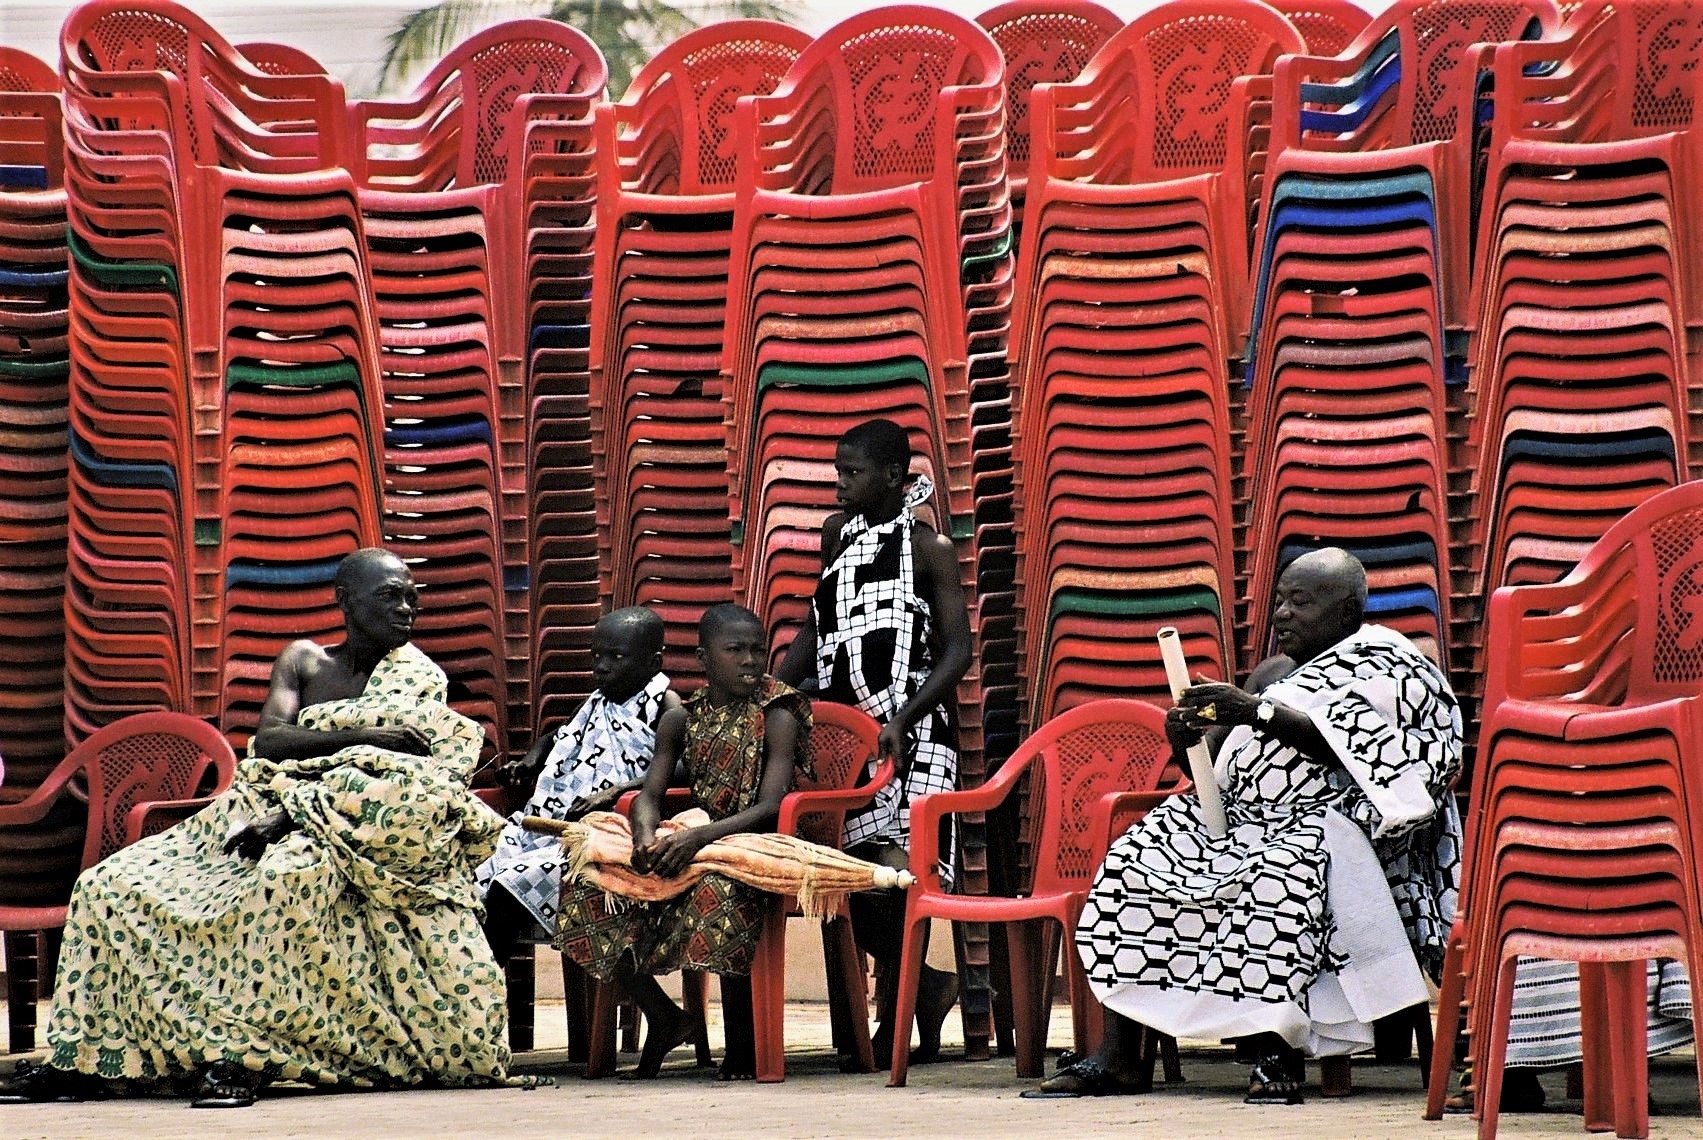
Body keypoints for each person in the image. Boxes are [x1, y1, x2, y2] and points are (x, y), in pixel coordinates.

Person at [0, 549, 512, 1108]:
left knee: (278, 885)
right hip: (258, 800)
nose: (407, 607)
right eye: (391, 595)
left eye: (413, 595)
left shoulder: (420, 678)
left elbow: (410, 776)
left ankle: (242, 1060)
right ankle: (85, 1061)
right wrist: (363, 738)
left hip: (346, 824)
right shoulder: (305, 660)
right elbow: (271, 740)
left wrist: (303, 808)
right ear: (345, 601)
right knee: (106, 887)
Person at [1034, 548, 1462, 1104]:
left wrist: (1254, 710)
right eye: (1279, 601)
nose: (1282, 614)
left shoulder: (1386, 662)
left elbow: (1374, 755)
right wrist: (1186, 734)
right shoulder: (1271, 674)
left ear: (1347, 613)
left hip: (1335, 831)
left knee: (1277, 871)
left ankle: (1274, 1052)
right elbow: (1208, 768)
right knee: (1134, 858)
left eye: (1300, 602)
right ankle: (1120, 1056)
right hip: (1239, 823)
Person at [776, 417, 974, 1066]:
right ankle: (929, 988)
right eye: (838, 471)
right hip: (848, 736)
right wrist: (775, 689)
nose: (840, 483)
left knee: (895, 875)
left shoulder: (929, 550)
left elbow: (957, 653)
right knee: (855, 878)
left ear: (892, 476)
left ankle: (911, 1003)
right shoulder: (837, 535)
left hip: (912, 733)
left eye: (852, 472)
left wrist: (905, 716)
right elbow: (818, 622)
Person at [553, 603, 810, 1081]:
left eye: (758, 650)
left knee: (720, 889)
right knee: (591, 888)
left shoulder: (777, 712)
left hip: (754, 843)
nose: (751, 661)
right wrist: (645, 837)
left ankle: (744, 1050)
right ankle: (663, 1013)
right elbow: (648, 796)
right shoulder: (681, 720)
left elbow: (772, 804)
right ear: (704, 659)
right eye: (735, 651)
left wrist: (697, 839)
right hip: (696, 839)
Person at [478, 606, 680, 965]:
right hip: (550, 826)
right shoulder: (597, 702)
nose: (601, 666)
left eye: (616, 657)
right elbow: (556, 737)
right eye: (597, 656)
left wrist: (614, 792)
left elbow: (680, 768)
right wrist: (528, 762)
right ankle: (479, 986)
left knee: (509, 886)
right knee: (479, 869)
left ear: (653, 663)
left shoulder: (664, 705)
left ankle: (483, 987)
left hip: (608, 836)